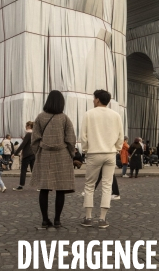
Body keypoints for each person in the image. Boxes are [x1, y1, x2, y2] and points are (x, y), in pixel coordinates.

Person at [30, 90, 76, 228]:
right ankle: (57, 220)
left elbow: (34, 139)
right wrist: (71, 154)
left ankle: (45, 220)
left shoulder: (40, 118)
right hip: (62, 155)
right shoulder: (65, 118)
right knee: (60, 189)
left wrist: (38, 151)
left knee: (44, 188)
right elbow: (71, 139)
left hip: (45, 155)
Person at [80, 89, 124, 229]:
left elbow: (83, 136)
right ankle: (102, 219)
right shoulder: (116, 115)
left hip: (94, 153)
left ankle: (88, 217)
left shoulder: (89, 114)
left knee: (89, 185)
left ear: (98, 99)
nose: (93, 100)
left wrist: (86, 150)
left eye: (94, 98)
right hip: (110, 153)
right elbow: (120, 136)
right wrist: (116, 148)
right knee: (107, 185)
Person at [13, 121, 35, 191]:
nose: (25, 127)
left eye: (26, 126)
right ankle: (39, 186)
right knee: (34, 171)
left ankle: (21, 186)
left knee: (23, 171)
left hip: (27, 154)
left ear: (28, 126)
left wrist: (15, 153)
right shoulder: (34, 134)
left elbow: (23, 145)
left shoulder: (28, 134)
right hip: (33, 154)